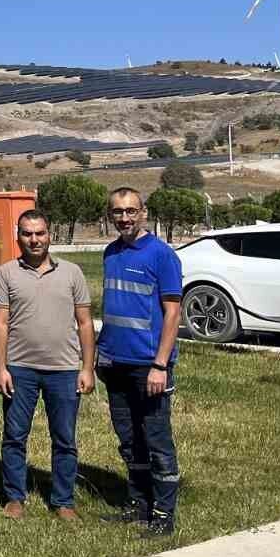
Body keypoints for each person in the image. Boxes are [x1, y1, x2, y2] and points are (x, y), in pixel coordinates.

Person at [0, 208, 96, 521]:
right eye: (27, 233)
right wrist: (1, 367)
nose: (34, 240)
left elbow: (85, 323)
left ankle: (63, 501)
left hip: (64, 369)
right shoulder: (6, 273)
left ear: (50, 235)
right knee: (14, 436)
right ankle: (14, 497)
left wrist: (87, 367)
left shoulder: (72, 273)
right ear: (18, 236)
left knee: (64, 438)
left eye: (40, 233)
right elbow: (0, 323)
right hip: (20, 368)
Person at [96, 186, 184, 537]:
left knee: (157, 439)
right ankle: (139, 503)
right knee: (129, 439)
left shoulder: (162, 255)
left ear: (143, 212)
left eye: (131, 211)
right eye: (118, 212)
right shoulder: (111, 252)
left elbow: (173, 314)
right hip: (115, 363)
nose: (125, 218)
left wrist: (160, 365)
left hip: (148, 366)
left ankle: (164, 513)